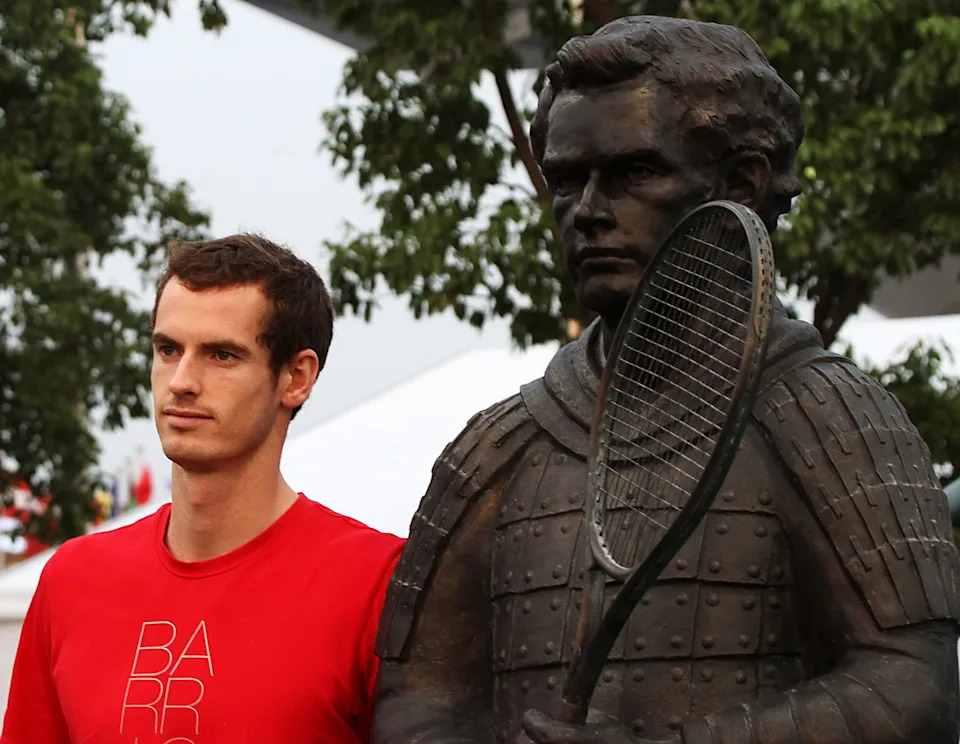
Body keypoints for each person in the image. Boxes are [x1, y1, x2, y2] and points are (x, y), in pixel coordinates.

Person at [371, 16, 960, 744]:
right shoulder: (495, 448)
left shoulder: (836, 420)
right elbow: (415, 699)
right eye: (565, 180)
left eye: (634, 173)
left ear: (741, 183)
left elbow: (914, 689)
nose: (586, 212)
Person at [2, 234, 404, 744]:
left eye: (221, 355)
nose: (181, 381)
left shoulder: (379, 584)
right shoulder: (72, 582)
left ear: (296, 377)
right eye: (168, 349)